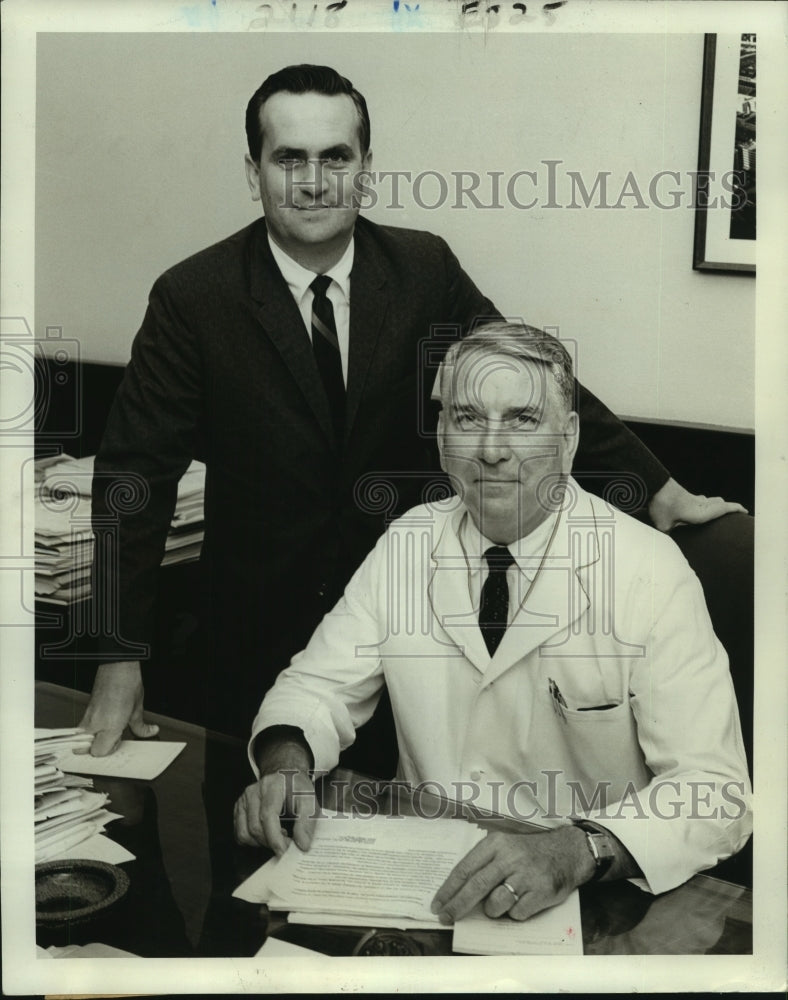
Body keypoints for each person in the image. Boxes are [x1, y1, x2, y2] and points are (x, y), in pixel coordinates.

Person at [80, 64, 746, 756]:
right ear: (255, 174)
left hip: (410, 639)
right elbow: (133, 476)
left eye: (337, 156)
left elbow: (529, 379)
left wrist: (661, 492)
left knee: (401, 838)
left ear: (367, 169)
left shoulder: (422, 272)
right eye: (289, 159)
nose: (315, 181)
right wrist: (116, 656)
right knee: (255, 833)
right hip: (251, 640)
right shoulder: (194, 298)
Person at [235, 322, 751, 923]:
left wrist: (580, 847)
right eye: (467, 417)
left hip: (589, 901)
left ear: (571, 438)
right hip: (422, 889)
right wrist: (285, 765)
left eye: (523, 420)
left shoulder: (648, 571)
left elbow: (717, 793)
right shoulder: (409, 544)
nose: (491, 448)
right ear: (441, 434)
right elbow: (315, 689)